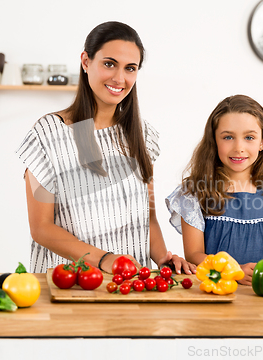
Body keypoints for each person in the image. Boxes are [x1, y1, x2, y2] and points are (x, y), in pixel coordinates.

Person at [16, 21, 195, 275]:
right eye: (109, 64)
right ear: (86, 61)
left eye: (130, 68)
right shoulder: (48, 134)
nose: (119, 78)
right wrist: (104, 259)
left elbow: (148, 218)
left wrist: (164, 259)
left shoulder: (141, 135)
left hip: (131, 284)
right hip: (70, 283)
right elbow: (41, 227)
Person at [165, 95, 263, 285]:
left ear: (262, 142)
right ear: (214, 140)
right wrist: (233, 271)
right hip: (215, 292)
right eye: (228, 137)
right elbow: (194, 254)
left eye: (249, 137)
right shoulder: (194, 193)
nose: (239, 147)